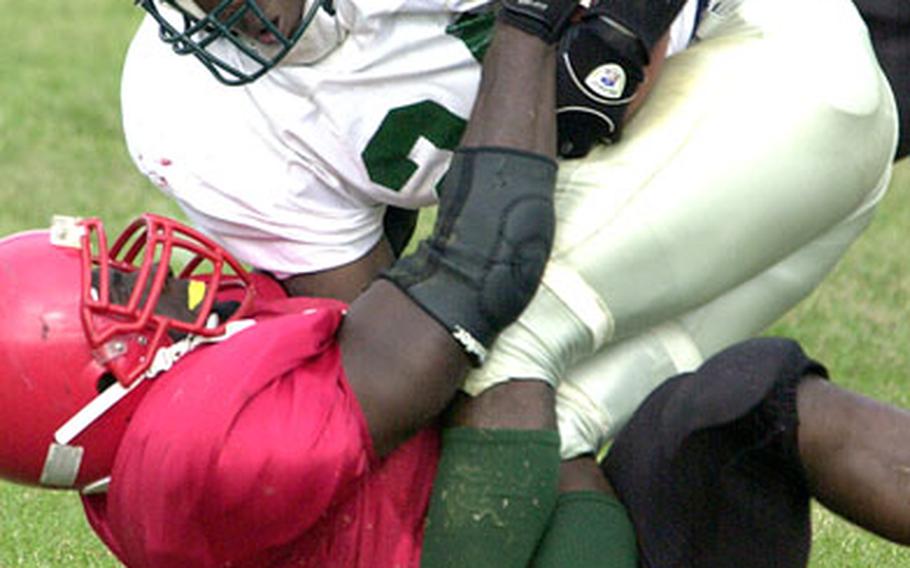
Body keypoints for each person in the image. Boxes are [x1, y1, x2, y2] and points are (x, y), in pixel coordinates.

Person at [125, 0, 900, 472]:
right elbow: (383, 361)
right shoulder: (188, 108)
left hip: (767, 64)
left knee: (498, 364)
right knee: (636, 434)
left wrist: (622, 25)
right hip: (690, 178)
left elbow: (610, 74)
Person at [0, 10, 564, 566]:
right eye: (121, 287)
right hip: (455, 536)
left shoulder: (155, 432)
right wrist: (531, 22)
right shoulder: (214, 452)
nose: (158, 271)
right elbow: (475, 273)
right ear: (96, 383)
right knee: (513, 384)